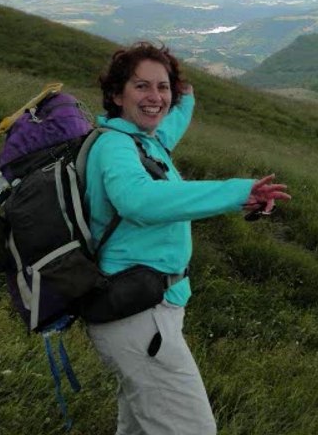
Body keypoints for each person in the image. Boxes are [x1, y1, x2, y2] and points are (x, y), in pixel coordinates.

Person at [84, 41, 289, 435]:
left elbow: (170, 122)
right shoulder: (114, 146)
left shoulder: (147, 142)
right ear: (115, 95)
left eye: (163, 88)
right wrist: (236, 191)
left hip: (147, 309)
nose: (155, 97)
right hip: (138, 317)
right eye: (141, 87)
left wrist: (186, 97)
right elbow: (137, 201)